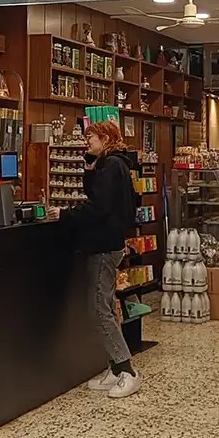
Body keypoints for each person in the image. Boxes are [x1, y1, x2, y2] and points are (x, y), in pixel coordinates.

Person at [52, 120, 142, 399]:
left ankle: (128, 371)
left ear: (104, 138)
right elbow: (101, 197)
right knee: (101, 306)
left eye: (90, 137)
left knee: (100, 309)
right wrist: (90, 167)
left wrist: (65, 215)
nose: (86, 142)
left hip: (103, 245)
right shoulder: (115, 164)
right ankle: (115, 369)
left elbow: (98, 207)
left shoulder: (112, 166)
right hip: (110, 242)